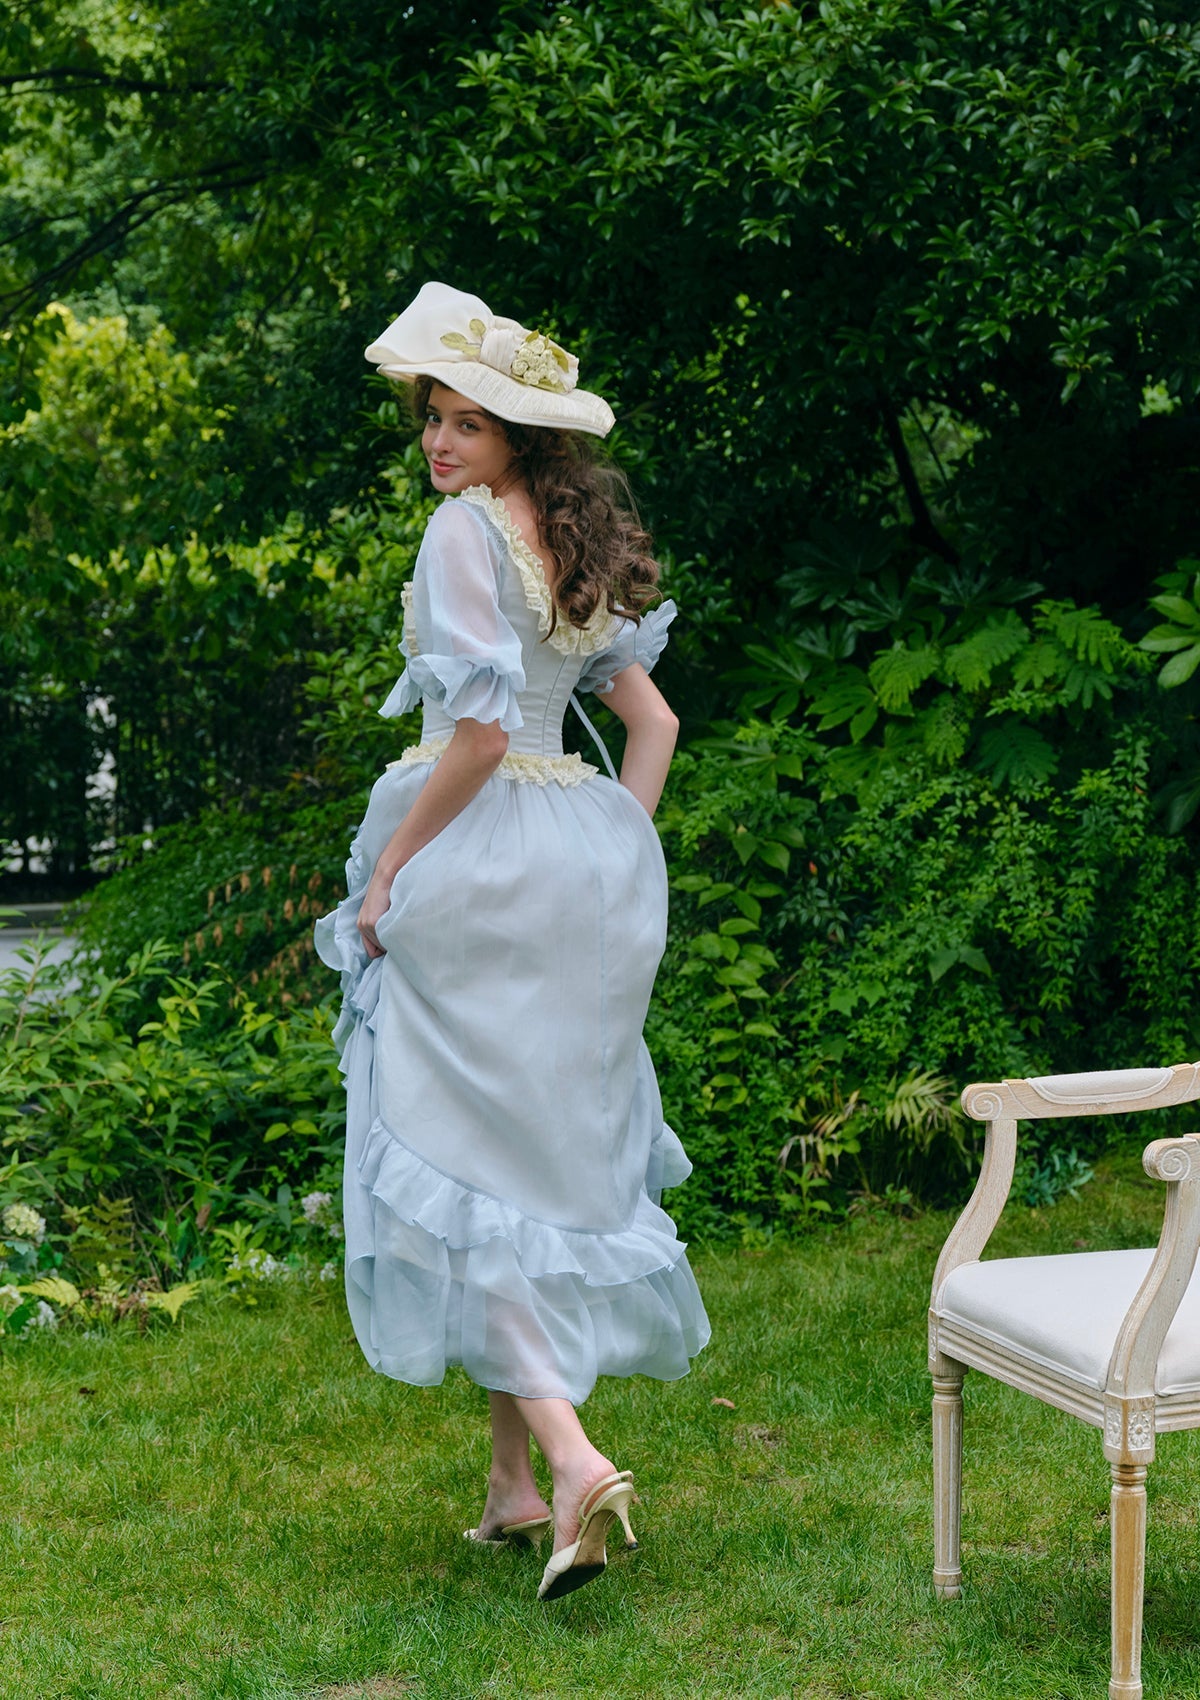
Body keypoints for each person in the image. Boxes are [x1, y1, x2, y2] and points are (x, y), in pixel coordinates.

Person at [314, 282, 710, 1601]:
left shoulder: (460, 535)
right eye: (432, 416)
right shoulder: (572, 539)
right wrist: (613, 851)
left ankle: (575, 1460)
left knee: (442, 1150)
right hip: (574, 867)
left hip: (480, 857)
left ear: (515, 437)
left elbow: (480, 736)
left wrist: (393, 871)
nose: (439, 441)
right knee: (513, 1161)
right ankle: (511, 1487)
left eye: (467, 423)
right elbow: (651, 729)